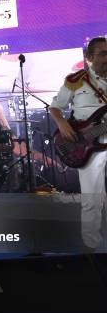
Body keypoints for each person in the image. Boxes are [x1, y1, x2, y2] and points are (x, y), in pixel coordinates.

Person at [50, 36, 107, 250]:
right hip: (88, 146)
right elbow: (56, 107)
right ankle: (92, 247)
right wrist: (62, 123)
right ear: (90, 57)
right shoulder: (75, 80)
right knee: (91, 198)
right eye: (102, 54)